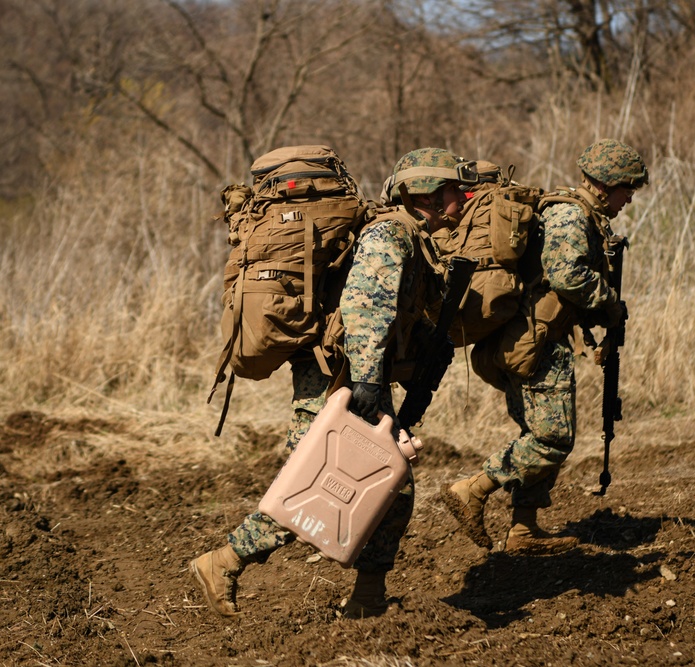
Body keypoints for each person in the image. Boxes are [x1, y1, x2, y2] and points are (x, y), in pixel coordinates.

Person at [189, 147, 474, 619]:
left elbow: (395, 315)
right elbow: (366, 307)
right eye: (452, 190)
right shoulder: (389, 234)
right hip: (338, 378)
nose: (462, 199)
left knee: (391, 489)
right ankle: (224, 562)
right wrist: (364, 381)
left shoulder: (411, 237)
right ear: (422, 192)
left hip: (357, 375)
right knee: (319, 487)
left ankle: (368, 600)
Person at [441, 139, 648, 555]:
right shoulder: (571, 214)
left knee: (534, 434)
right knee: (552, 439)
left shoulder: (577, 213)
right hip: (535, 345)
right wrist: (610, 302)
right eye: (628, 188)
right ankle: (473, 489)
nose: (630, 198)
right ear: (607, 185)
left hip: (528, 340)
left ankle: (523, 529)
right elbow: (567, 275)